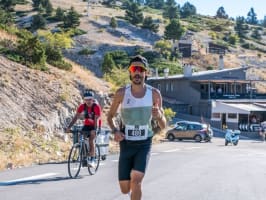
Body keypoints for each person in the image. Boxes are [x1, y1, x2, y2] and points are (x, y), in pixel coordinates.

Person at [107, 55, 166, 200]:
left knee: (137, 180)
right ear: (130, 72)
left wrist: (158, 116)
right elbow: (110, 117)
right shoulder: (121, 93)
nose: (137, 72)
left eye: (141, 69)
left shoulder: (154, 94)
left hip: (144, 143)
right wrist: (115, 130)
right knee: (125, 188)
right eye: (134, 69)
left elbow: (163, 125)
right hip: (126, 144)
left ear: (146, 73)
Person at [66, 90, 101, 167]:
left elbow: (96, 120)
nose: (88, 101)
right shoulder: (82, 106)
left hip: (95, 124)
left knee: (91, 139)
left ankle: (92, 159)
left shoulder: (96, 107)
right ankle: (84, 157)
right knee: (81, 138)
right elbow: (75, 117)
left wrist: (94, 130)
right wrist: (69, 127)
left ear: (93, 99)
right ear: (84, 100)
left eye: (90, 99)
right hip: (87, 125)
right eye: (86, 99)